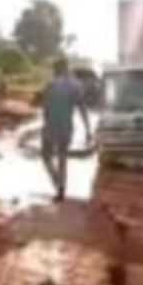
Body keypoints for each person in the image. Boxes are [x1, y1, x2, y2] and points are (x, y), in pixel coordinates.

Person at [40, 58, 91, 201]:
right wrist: (87, 129)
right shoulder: (76, 85)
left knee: (45, 155)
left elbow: (45, 108)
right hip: (66, 126)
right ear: (66, 68)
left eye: (54, 69)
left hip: (50, 126)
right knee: (62, 157)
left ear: (57, 69)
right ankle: (61, 188)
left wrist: (44, 124)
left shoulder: (50, 85)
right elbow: (82, 108)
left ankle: (57, 182)